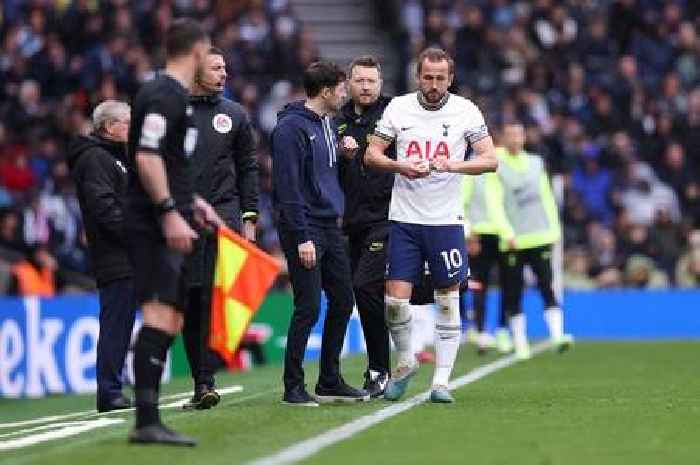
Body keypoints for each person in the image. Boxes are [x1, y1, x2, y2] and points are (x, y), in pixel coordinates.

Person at [365, 48, 498, 403]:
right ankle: (406, 361)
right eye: (428, 77)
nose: (434, 84)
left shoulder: (466, 111)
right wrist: (401, 166)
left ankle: (441, 381)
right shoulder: (399, 108)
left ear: (450, 79)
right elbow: (371, 154)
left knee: (447, 300)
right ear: (418, 77)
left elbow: (490, 159)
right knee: (394, 301)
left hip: (445, 221)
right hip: (405, 218)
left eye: (440, 78)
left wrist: (453, 165)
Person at [124, 18, 222, 446]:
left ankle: (149, 415)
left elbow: (167, 160)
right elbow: (146, 156)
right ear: (198, 51)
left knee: (173, 316)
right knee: (161, 314)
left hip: (174, 214)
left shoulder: (174, 96)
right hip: (153, 223)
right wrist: (168, 211)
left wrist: (192, 203)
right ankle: (146, 419)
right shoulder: (164, 94)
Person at [271, 61, 368, 406]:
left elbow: (323, 176)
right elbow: (288, 188)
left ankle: (329, 379)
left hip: (329, 224)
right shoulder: (290, 130)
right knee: (309, 307)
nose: (346, 93)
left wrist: (343, 157)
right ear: (326, 91)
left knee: (343, 300)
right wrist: (301, 237)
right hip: (306, 227)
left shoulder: (328, 123)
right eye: (342, 88)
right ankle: (293, 386)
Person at [181, 46, 258, 410]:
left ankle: (208, 378)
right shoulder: (172, 114)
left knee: (219, 302)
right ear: (197, 71)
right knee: (193, 302)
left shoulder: (234, 114)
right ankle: (202, 381)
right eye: (216, 68)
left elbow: (248, 169)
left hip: (225, 220)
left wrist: (250, 217)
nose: (224, 73)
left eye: (225, 67)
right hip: (184, 221)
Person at [68, 99, 136, 412]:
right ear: (110, 127)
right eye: (128, 122)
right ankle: (109, 392)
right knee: (116, 323)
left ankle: (114, 387)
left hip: (127, 255)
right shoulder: (97, 159)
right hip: (116, 255)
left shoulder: (114, 158)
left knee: (121, 323)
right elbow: (104, 209)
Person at [335, 55, 393, 397]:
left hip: (385, 218)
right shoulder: (337, 121)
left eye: (372, 81)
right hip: (348, 222)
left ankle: (379, 368)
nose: (366, 86)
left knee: (365, 287)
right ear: (350, 83)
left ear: (380, 84)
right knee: (358, 292)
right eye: (360, 81)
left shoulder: (395, 115)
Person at [493, 122, 574, 360]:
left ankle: (558, 335)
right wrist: (505, 232)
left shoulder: (536, 163)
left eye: (519, 134)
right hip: (513, 240)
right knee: (513, 291)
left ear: (525, 137)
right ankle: (520, 342)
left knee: (546, 285)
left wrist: (554, 228)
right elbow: (494, 202)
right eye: (510, 134)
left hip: (539, 236)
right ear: (503, 138)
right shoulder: (496, 164)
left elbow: (546, 197)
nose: (515, 139)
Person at [462, 172, 513, 355]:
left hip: (505, 236)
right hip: (481, 234)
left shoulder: (505, 167)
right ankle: (481, 331)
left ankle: (502, 331)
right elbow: (462, 203)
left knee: (508, 285)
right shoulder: (473, 170)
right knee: (479, 284)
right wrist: (469, 233)